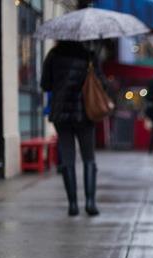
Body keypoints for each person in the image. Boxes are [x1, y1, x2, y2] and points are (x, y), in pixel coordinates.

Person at [41, 41, 109, 216]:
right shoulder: (89, 56)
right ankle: (90, 202)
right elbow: (102, 84)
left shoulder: (53, 55)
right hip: (84, 113)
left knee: (67, 157)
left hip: (61, 113)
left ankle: (72, 205)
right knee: (88, 157)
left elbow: (45, 84)